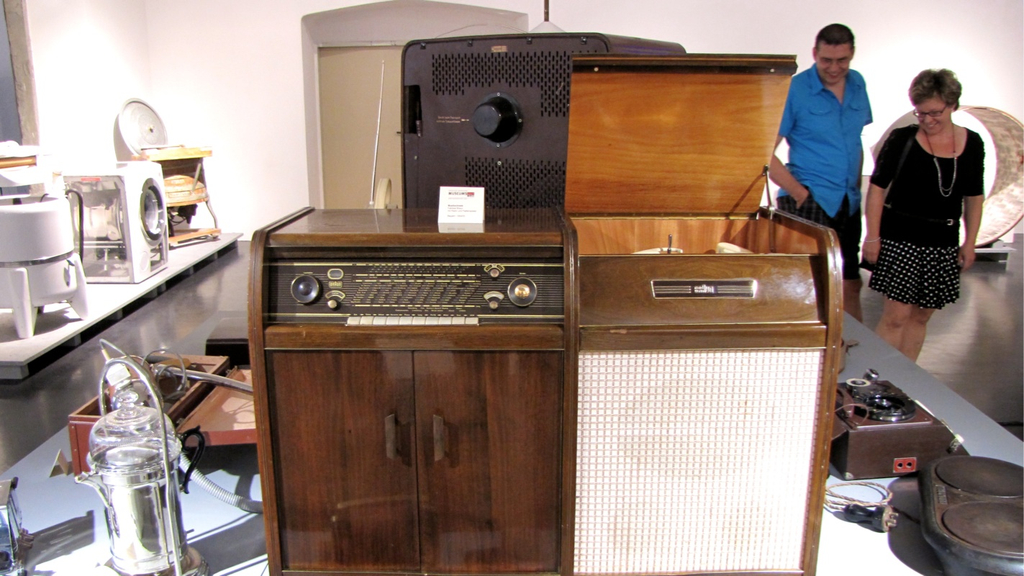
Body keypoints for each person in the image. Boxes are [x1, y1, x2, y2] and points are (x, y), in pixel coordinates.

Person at [861, 69, 984, 361]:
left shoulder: (973, 143)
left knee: (921, 316)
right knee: (896, 316)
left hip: (942, 240)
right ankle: (880, 378)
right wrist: (872, 237)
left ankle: (906, 378)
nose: (927, 120)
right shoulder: (902, 139)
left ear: (952, 105)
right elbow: (877, 190)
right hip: (900, 237)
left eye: (934, 113)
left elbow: (974, 197)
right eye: (921, 113)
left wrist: (970, 242)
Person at [770, 23, 873, 321]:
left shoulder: (858, 84)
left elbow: (855, 142)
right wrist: (800, 195)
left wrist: (857, 188)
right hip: (810, 199)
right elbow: (764, 151)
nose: (834, 68)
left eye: (842, 60)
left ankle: (853, 344)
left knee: (850, 282)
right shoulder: (796, 89)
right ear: (814, 54)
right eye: (827, 60)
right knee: (808, 287)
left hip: (847, 201)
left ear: (852, 54)